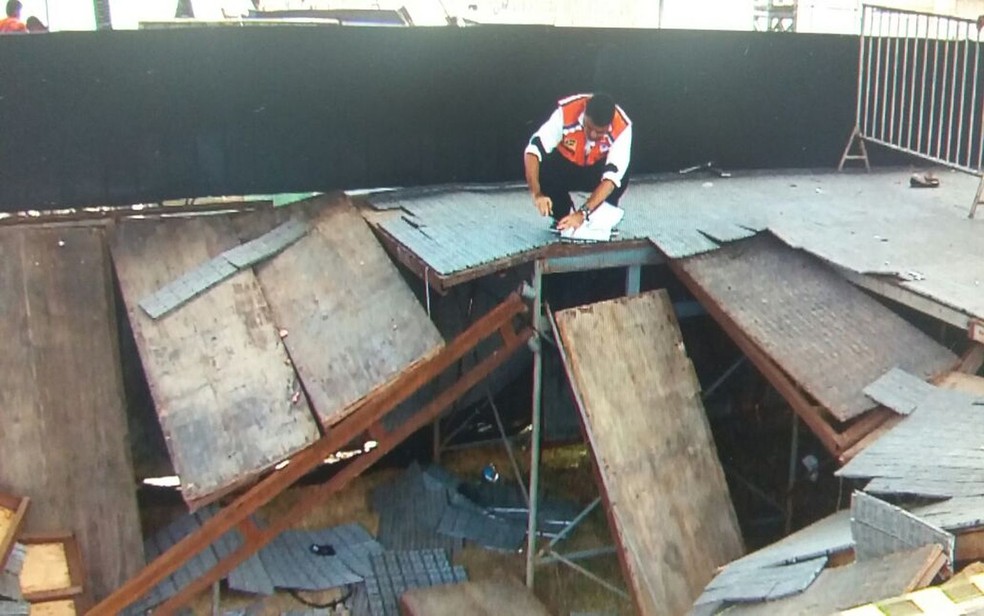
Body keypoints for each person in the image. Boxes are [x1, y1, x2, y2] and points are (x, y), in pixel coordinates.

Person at [524, 92, 632, 239]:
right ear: (584, 112)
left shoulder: (623, 127)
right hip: (568, 168)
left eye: (599, 132)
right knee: (543, 165)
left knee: (621, 174)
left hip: (598, 173)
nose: (593, 135)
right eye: (588, 127)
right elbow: (533, 150)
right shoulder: (566, 112)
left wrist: (582, 214)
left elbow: (611, 180)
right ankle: (563, 217)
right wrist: (537, 194)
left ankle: (601, 220)